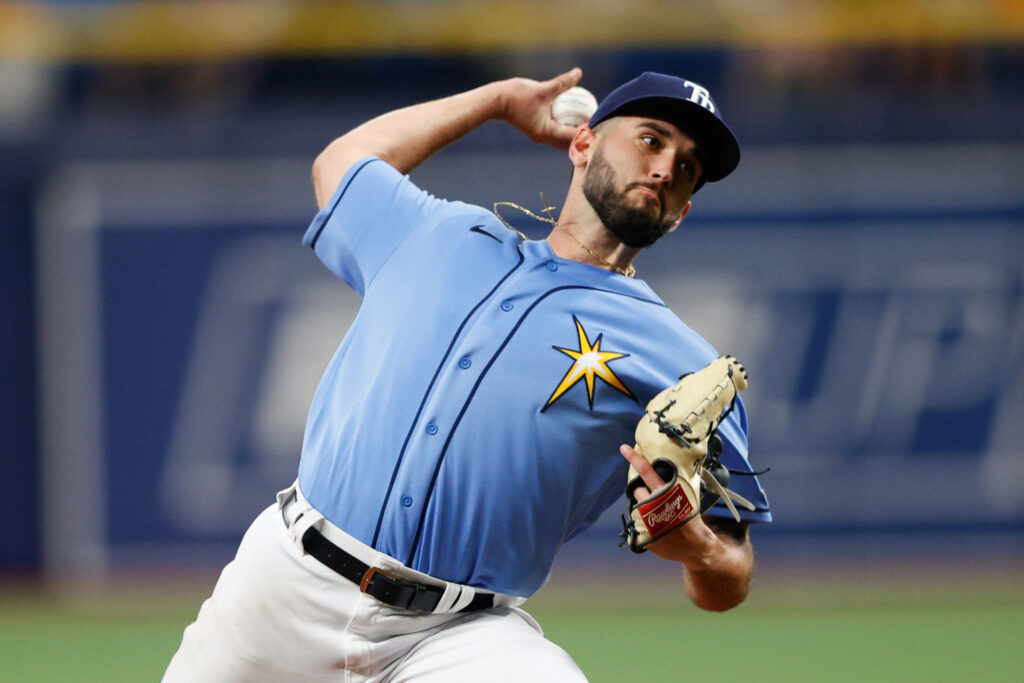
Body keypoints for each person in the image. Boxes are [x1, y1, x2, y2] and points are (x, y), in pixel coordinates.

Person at [164, 67, 771, 682]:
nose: (666, 168)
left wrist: (699, 550)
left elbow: (730, 576)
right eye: (651, 139)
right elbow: (342, 162)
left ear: (683, 211)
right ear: (583, 143)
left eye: (687, 166)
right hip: (285, 588)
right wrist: (496, 101)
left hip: (458, 636)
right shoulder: (444, 236)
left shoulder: (686, 363)